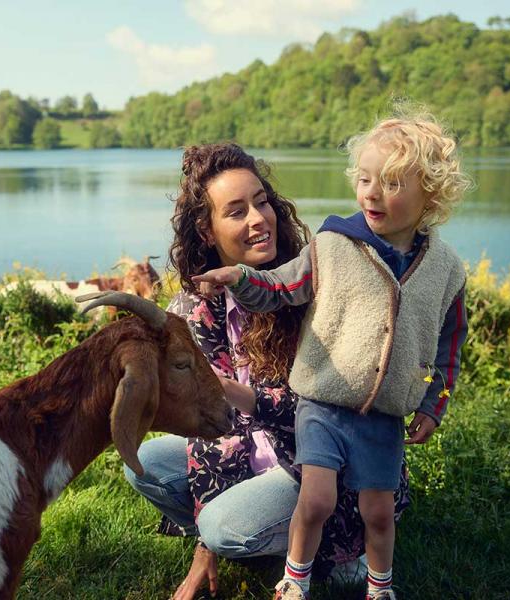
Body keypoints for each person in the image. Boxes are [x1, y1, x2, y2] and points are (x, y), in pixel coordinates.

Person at [193, 113, 471, 600]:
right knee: (316, 499)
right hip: (321, 404)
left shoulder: (446, 271)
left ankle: (378, 586)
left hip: (384, 416)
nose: (371, 193)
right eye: (364, 180)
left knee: (379, 513)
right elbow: (281, 287)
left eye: (390, 183)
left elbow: (449, 350)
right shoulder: (332, 245)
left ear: (430, 192)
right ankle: (294, 580)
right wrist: (240, 279)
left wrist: (432, 405)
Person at [124, 142, 410, 599]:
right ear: (206, 229)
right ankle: (269, 539)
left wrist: (243, 398)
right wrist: (205, 545)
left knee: (223, 527)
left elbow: (340, 398)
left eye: (261, 202)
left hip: (326, 458)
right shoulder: (194, 309)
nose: (259, 219)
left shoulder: (309, 282)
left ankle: (340, 548)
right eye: (236, 211)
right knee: (145, 464)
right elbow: (208, 428)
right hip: (252, 453)